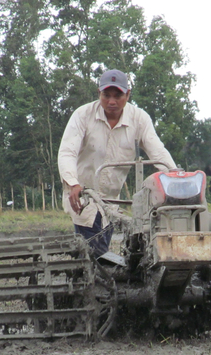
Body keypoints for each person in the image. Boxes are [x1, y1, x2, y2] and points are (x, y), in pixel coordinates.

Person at [58, 69, 177, 257]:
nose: (111, 101)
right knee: (92, 253)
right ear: (99, 93)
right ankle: (91, 279)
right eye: (106, 95)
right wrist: (72, 182)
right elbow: (67, 152)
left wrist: (175, 175)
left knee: (102, 250)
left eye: (118, 95)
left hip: (112, 200)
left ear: (128, 94)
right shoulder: (83, 115)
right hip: (83, 196)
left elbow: (157, 151)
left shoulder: (139, 119)